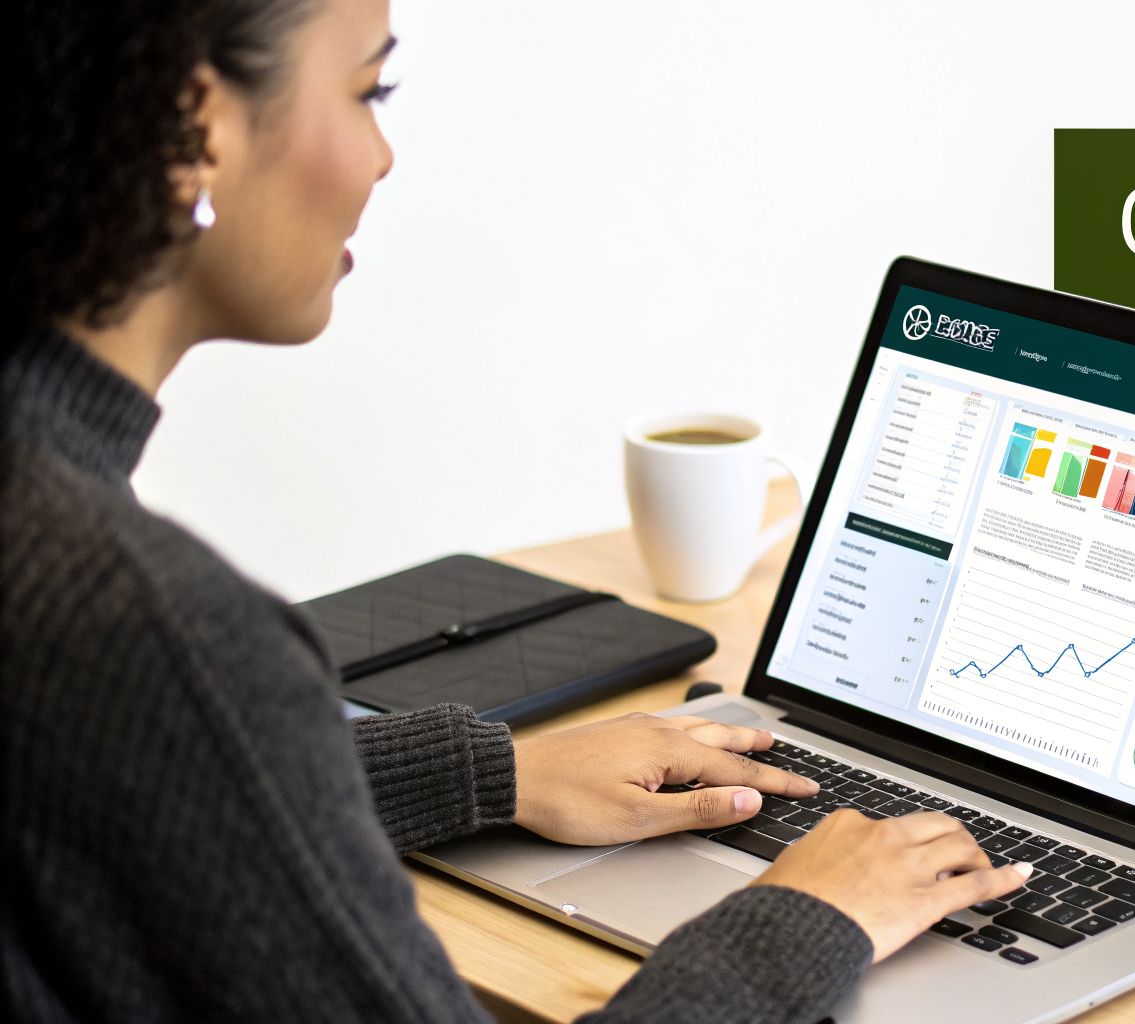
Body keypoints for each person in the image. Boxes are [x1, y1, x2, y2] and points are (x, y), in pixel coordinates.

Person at [0, 0, 1031, 1020]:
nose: (383, 157)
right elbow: (177, 714)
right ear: (198, 119)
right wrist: (813, 912)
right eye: (369, 89)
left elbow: (167, 786)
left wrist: (488, 773)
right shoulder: (152, 627)